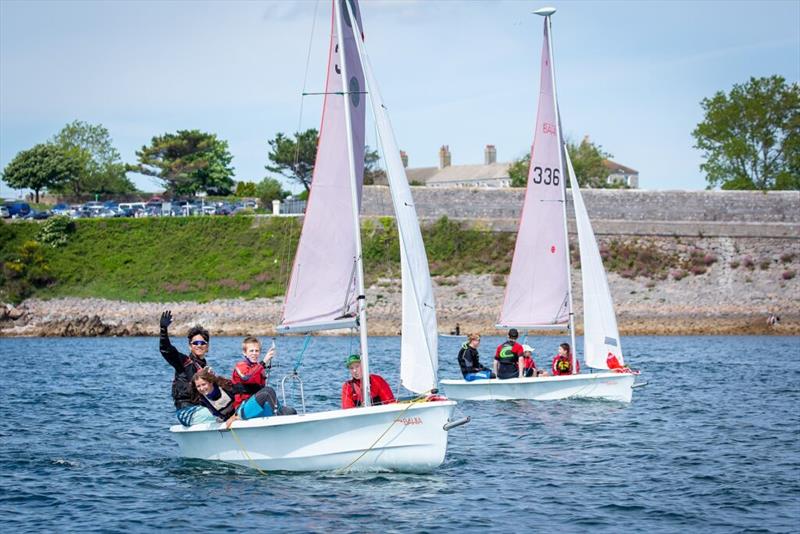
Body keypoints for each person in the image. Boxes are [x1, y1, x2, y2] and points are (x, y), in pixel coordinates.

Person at [159, 310, 216, 426]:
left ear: (207, 347)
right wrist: (163, 330)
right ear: (190, 346)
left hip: (202, 409)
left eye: (202, 343)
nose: (199, 345)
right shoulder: (183, 362)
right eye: (195, 343)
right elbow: (167, 350)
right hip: (186, 411)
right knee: (219, 414)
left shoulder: (206, 369)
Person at [230, 336, 275, 409]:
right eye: (251, 351)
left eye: (256, 351)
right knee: (268, 391)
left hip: (256, 404)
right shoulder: (240, 366)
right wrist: (263, 362)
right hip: (243, 406)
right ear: (245, 353)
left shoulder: (259, 367)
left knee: (290, 411)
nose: (254, 353)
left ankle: (279, 412)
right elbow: (247, 378)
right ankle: (276, 413)